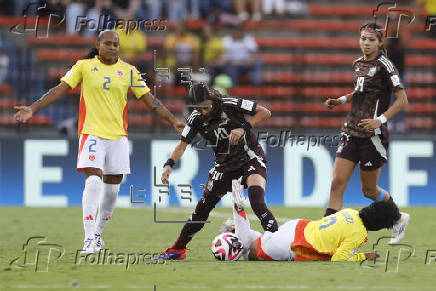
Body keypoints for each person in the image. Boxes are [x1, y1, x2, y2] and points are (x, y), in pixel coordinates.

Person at [14, 30, 185, 254]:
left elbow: (148, 99)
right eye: (108, 43)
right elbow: (59, 90)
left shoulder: (128, 71)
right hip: (91, 133)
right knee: (93, 181)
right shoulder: (84, 66)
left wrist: (173, 121)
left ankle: (97, 234)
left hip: (118, 136)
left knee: (112, 191)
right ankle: (88, 240)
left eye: (116, 44)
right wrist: (33, 108)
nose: (113, 47)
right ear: (98, 45)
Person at [154, 83, 278, 260]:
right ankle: (177, 250)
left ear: (211, 99)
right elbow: (182, 145)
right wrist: (169, 164)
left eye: (206, 106)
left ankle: (277, 240)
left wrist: (243, 127)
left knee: (256, 200)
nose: (203, 111)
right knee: (200, 212)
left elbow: (265, 112)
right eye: (198, 108)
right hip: (224, 166)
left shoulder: (229, 104)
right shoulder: (195, 118)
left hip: (249, 158)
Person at [322, 23, 409, 244]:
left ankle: (398, 218)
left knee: (369, 190)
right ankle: (327, 235)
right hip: (351, 130)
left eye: (371, 40)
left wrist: (379, 120)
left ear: (380, 42)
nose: (366, 43)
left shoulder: (385, 65)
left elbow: (402, 100)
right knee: (336, 183)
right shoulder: (358, 63)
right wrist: (341, 100)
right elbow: (359, 91)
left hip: (373, 136)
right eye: (363, 39)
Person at [226, 180, 405, 262]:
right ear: (379, 225)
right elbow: (339, 258)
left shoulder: (350, 212)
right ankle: (236, 216)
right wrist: (364, 256)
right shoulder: (359, 234)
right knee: (250, 254)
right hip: (297, 243)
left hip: (298, 226)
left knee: (258, 240)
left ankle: (234, 224)